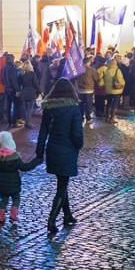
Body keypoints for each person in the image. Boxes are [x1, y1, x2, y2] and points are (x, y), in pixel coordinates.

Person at [35, 78, 84, 235]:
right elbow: (77, 134)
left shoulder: (49, 108)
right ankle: (51, 220)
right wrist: (78, 146)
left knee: (62, 182)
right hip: (67, 150)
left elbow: (43, 131)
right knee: (62, 186)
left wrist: (39, 151)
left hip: (53, 149)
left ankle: (67, 215)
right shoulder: (73, 108)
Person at [0, 131, 40, 223]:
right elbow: (25, 167)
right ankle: (13, 214)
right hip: (14, 184)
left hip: (2, 184)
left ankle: (0, 215)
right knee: (16, 198)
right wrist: (36, 161)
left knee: (4, 199)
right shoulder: (15, 158)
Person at [75, 57, 99, 123]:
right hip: (89, 89)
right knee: (88, 104)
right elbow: (96, 78)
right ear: (88, 62)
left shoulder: (79, 69)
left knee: (81, 104)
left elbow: (76, 78)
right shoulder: (91, 69)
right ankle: (88, 118)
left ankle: (81, 118)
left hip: (80, 89)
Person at [18, 61, 39, 128]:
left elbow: (19, 83)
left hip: (24, 92)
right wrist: (40, 91)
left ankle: (26, 122)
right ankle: (28, 123)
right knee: (30, 108)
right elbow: (35, 84)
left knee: (26, 108)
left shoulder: (22, 74)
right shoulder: (32, 74)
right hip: (31, 92)